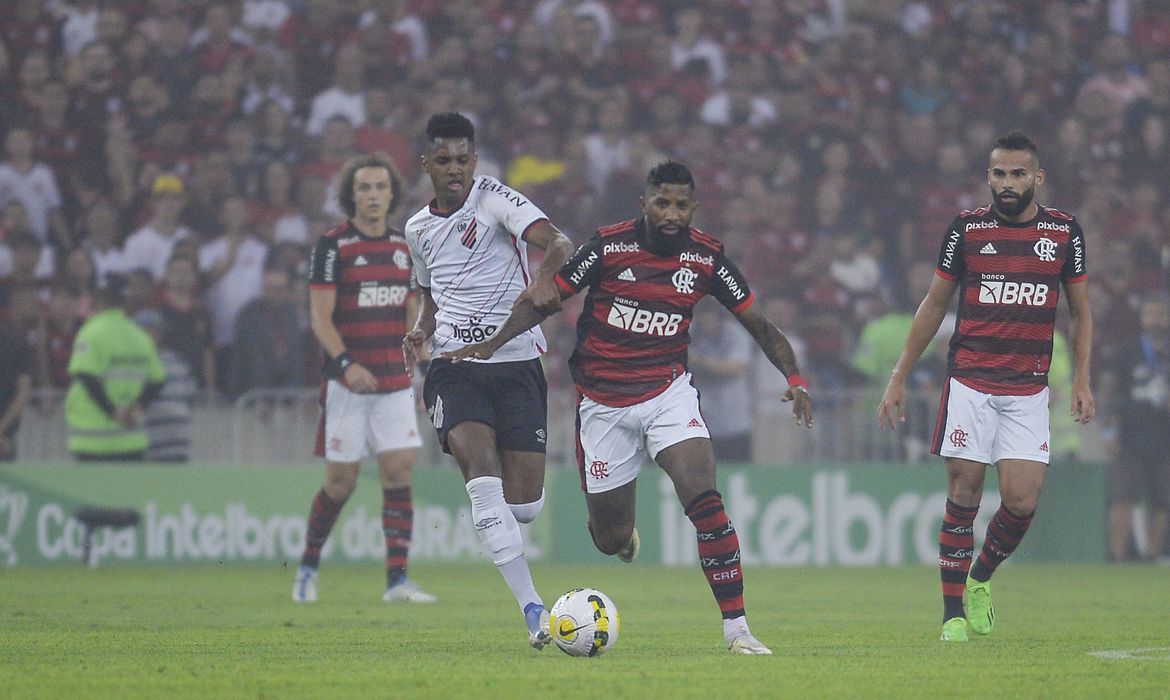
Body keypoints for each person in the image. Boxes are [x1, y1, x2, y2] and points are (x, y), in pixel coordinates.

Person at [443, 161, 814, 655]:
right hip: (603, 404)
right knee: (608, 537)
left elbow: (760, 325)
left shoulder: (707, 260)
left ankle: (738, 630)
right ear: (645, 203)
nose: (672, 213)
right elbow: (546, 299)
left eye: (682, 205)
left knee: (704, 499)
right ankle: (621, 538)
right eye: (662, 202)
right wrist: (494, 342)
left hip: (667, 392)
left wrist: (794, 377)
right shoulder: (608, 247)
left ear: (693, 208)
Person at [877, 132, 1095, 642]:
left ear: (1037, 178)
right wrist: (899, 376)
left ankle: (979, 579)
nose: (1007, 183)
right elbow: (933, 305)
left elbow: (1082, 312)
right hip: (970, 382)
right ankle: (952, 614)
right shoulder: (967, 229)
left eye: (1018, 174)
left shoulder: (1063, 232)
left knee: (1021, 502)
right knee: (965, 491)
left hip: (1027, 389)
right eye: (998, 174)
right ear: (988, 177)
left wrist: (1083, 377)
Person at [401, 113, 575, 649]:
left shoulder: (495, 199)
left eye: (463, 160)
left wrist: (542, 281)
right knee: (481, 472)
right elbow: (432, 293)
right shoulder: (416, 229)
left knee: (523, 505)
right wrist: (419, 330)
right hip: (454, 367)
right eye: (444, 161)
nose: (455, 170)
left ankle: (507, 531)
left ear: (474, 161)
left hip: (519, 364)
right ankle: (532, 609)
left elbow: (560, 243)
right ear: (426, 164)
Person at [293, 153, 435, 605]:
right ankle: (307, 568)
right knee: (342, 483)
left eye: (380, 187)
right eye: (364, 188)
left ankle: (397, 581)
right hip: (348, 385)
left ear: (392, 193)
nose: (373, 196)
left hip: (394, 382)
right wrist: (346, 365)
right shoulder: (333, 246)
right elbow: (320, 318)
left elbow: (413, 310)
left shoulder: (404, 245)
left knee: (398, 473)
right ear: (351, 195)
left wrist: (419, 356)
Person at [65, 274, 166, 462]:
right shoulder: (139, 335)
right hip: (131, 438)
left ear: (97, 297)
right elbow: (157, 380)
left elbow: (85, 375)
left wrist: (112, 410)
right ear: (125, 299)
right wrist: (138, 407)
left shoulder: (91, 331)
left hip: (92, 439)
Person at [1106, 295, 1170, 562]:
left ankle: (1153, 556)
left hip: (1164, 436)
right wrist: (1108, 431)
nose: (1155, 319)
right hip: (1128, 434)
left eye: (1161, 314)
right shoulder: (1126, 350)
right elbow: (1109, 390)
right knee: (1123, 497)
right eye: (1150, 314)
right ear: (1142, 319)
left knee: (1162, 499)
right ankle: (1118, 558)